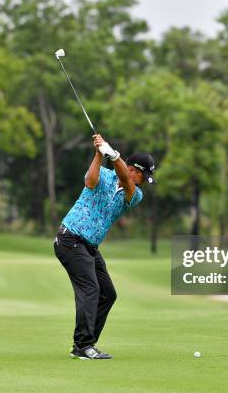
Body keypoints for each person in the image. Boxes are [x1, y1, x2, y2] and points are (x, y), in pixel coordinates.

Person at [53, 134, 156, 360]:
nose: (142, 181)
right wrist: (99, 153)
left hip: (89, 246)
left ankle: (86, 343)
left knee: (108, 294)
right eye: (142, 175)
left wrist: (114, 155)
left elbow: (127, 183)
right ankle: (83, 346)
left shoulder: (135, 194)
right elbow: (90, 181)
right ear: (133, 169)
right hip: (70, 239)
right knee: (91, 290)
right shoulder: (104, 176)